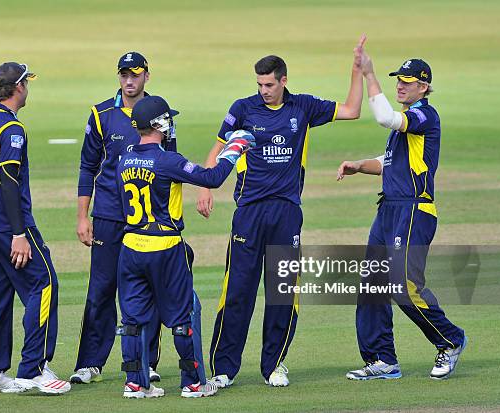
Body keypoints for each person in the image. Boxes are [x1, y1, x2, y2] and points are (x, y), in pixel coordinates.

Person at [197, 37, 366, 388]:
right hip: (249, 213)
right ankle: (224, 368)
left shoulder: (302, 107)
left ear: (284, 80)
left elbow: (352, 109)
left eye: (269, 84)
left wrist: (357, 69)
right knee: (237, 291)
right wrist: (205, 187)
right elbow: (217, 147)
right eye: (259, 84)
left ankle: (274, 365)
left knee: (282, 291)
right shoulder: (243, 108)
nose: (263, 91)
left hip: (287, 213)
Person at [337, 50, 467, 380]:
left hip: (414, 209)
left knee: (403, 285)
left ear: (424, 86)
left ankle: (450, 340)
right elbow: (389, 161)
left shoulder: (425, 115)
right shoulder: (406, 126)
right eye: (399, 80)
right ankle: (383, 359)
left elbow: (385, 117)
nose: (401, 85)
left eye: (408, 81)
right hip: (389, 209)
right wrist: (359, 166)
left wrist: (369, 74)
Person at [116, 95, 255, 398]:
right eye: (168, 119)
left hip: (130, 247)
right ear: (158, 124)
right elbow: (213, 177)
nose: (171, 123)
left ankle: (136, 383)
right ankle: (192, 383)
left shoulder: (124, 158)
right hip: (165, 246)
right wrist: (234, 148)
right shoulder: (168, 161)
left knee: (132, 320)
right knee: (183, 315)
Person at [0, 62, 70, 394]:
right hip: (8, 225)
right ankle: (32, 370)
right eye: (27, 82)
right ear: (19, 87)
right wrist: (18, 232)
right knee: (45, 283)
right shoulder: (12, 128)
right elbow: (9, 180)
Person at [72, 52, 166, 384]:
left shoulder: (160, 113)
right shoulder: (101, 114)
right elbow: (87, 167)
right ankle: (89, 363)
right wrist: (83, 217)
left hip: (146, 220)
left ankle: (147, 361)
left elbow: (169, 165)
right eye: (124, 75)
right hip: (109, 216)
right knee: (101, 289)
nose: (129, 81)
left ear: (146, 77)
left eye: (135, 75)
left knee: (148, 289)